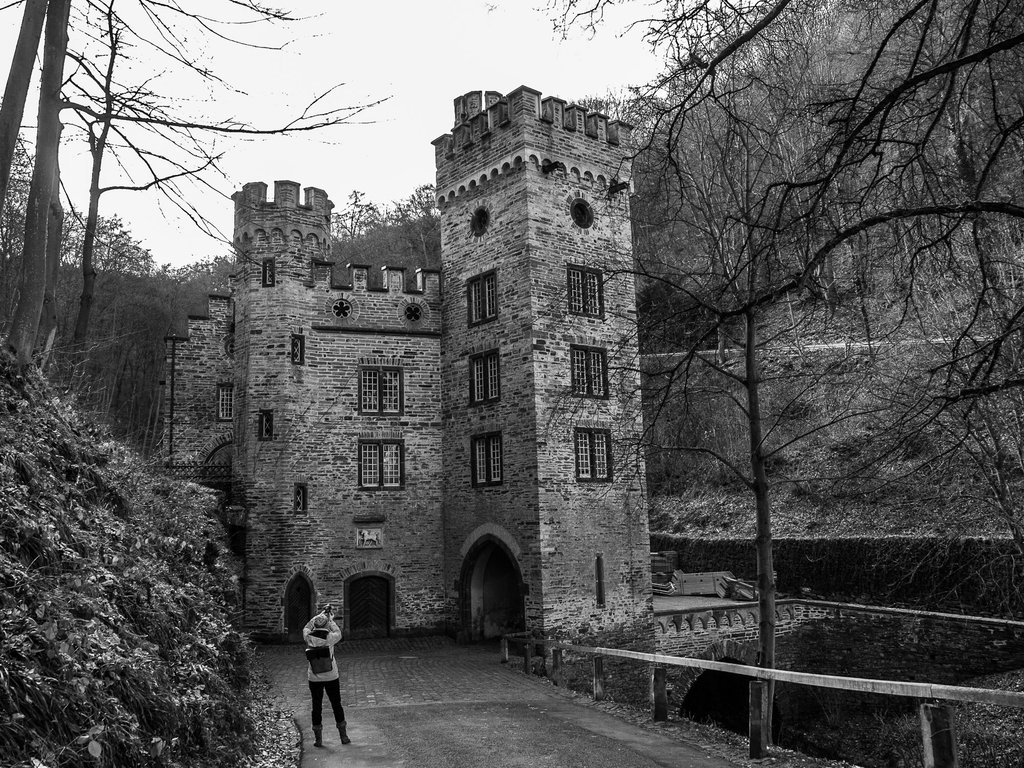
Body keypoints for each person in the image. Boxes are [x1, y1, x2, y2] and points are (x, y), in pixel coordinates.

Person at [302, 605, 350, 747]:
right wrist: (329, 619)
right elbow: (338, 632)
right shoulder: (330, 638)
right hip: (331, 676)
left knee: (316, 706)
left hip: (314, 676)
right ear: (326, 626)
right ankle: (343, 736)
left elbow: (306, 627)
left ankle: (318, 739)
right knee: (336, 704)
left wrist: (318, 617)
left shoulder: (308, 638)